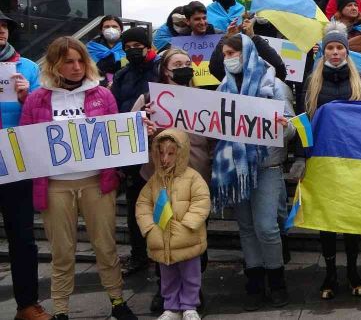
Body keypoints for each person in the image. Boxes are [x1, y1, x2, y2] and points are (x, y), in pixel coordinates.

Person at [21, 37, 136, 320]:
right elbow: (25, 140)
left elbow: (115, 136)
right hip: (56, 186)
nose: (76, 67)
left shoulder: (102, 95)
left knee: (106, 246)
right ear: (54, 65)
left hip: (97, 183)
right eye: (68, 61)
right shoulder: (38, 99)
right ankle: (60, 310)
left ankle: (118, 301)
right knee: (61, 250)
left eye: (80, 60)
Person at [212, 33, 295, 310]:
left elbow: (294, 128)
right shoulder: (222, 89)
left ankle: (277, 280)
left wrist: (284, 126)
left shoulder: (276, 86)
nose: (229, 59)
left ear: (247, 54)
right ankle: (255, 280)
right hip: (236, 169)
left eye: (233, 53)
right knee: (246, 228)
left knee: (266, 228)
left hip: (267, 166)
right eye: (225, 54)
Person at [131, 48, 215, 313]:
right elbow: (130, 137)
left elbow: (216, 136)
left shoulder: (204, 98)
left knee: (195, 235)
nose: (184, 67)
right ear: (165, 69)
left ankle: (193, 290)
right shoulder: (147, 99)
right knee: (163, 234)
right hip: (159, 181)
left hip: (196, 178)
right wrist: (143, 122)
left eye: (187, 63)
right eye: (177, 63)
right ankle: (164, 291)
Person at [303, 23, 361, 299]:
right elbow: (304, 120)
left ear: (346, 51)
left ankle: (353, 271)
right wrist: (303, 156)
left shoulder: (360, 78)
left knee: (351, 218)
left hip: (352, 159)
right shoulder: (313, 80)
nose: (335, 53)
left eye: (339, 48)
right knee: (327, 219)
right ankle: (330, 274)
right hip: (322, 160)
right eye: (330, 48)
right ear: (323, 51)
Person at [0, 11, 50, 320]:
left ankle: (27, 305)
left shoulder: (29, 69)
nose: (0, 32)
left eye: (3, 27)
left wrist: (25, 99)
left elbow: (43, 116)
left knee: (22, 237)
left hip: (16, 164)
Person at [136, 129, 210, 320]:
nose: (165, 159)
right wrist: (149, 228)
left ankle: (189, 305)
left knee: (191, 275)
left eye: (170, 153)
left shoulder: (193, 178)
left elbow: (201, 202)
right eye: (161, 153)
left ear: (182, 152)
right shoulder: (154, 181)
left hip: (187, 239)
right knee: (167, 275)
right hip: (162, 239)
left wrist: (187, 225)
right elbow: (143, 204)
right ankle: (171, 307)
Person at [111, 26, 161, 276]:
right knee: (134, 205)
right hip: (131, 147)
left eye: (137, 46)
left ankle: (162, 254)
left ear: (148, 46)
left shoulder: (160, 70)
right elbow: (113, 108)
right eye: (127, 47)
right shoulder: (121, 76)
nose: (132, 51)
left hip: (159, 147)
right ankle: (138, 255)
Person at [209, 15, 287, 82]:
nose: (226, 58)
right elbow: (214, 68)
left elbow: (279, 69)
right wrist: (227, 37)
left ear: (244, 53)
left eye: (230, 53)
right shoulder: (226, 82)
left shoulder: (270, 84)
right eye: (224, 54)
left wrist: (253, 38)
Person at [87, 15, 125, 87]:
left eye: (114, 26)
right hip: (98, 85)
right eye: (107, 27)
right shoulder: (92, 46)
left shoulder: (128, 45)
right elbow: (90, 69)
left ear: (121, 29)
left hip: (123, 84)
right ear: (101, 30)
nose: (111, 29)